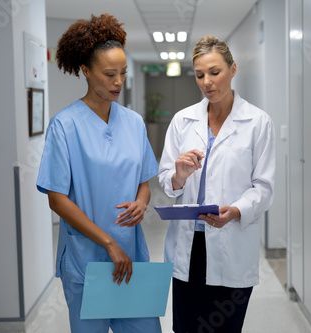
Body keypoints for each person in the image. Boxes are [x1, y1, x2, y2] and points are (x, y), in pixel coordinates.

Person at [36, 14, 161, 333]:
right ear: (86, 71)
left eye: (122, 73)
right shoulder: (64, 126)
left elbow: (143, 184)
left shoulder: (133, 123)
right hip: (87, 257)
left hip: (130, 254)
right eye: (109, 74)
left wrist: (142, 202)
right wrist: (108, 243)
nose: (118, 82)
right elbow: (56, 198)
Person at [158, 35, 276, 333]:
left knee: (225, 328)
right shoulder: (182, 120)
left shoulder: (258, 122)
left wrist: (235, 211)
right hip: (189, 244)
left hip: (231, 242)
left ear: (233, 69)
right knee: (186, 328)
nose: (207, 82)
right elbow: (166, 182)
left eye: (215, 72)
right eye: (200, 75)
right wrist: (180, 174)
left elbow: (264, 187)